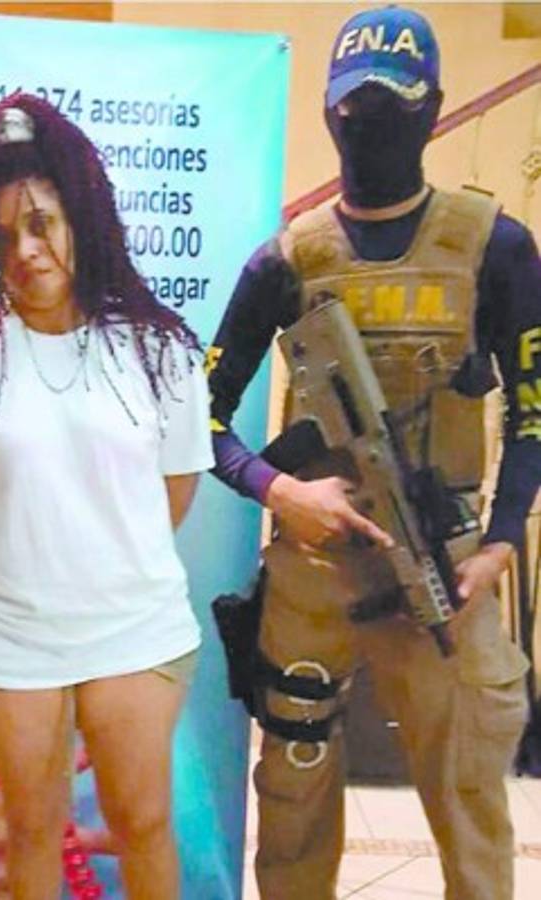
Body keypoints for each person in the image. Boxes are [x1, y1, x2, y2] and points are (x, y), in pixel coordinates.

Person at [206, 7, 541, 899]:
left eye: (393, 108)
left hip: (446, 569)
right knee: (292, 797)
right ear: (328, 112)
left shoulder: (494, 247)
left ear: (433, 108)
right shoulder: (286, 259)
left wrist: (500, 541)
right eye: (355, 110)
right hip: (312, 573)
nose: (370, 126)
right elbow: (195, 418)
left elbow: (535, 412)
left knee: (468, 802)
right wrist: (279, 489)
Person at [0, 93, 212, 900]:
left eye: (41, 224)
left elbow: (173, 491)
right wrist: (26, 556)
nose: (25, 252)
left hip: (134, 626)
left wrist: (97, 560)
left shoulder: (158, 350)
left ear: (82, 218)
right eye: (3, 235)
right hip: (9, 634)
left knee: (143, 820)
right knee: (32, 825)